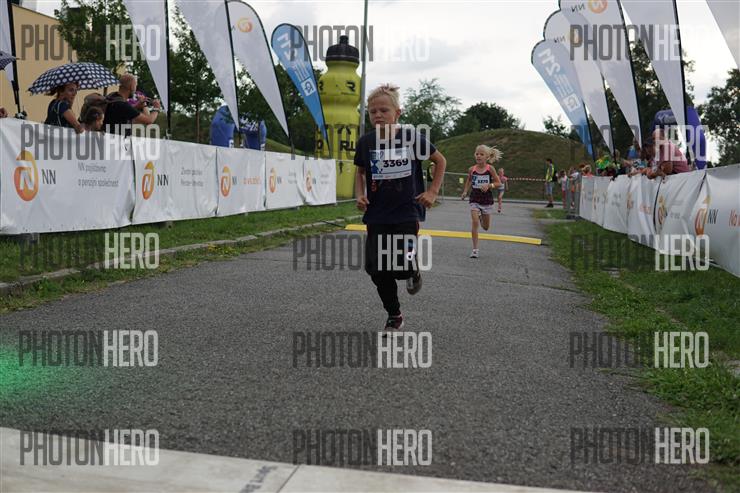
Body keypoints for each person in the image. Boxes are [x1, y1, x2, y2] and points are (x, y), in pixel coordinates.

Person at [354, 83, 446, 331]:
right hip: (377, 214)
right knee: (376, 269)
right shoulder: (366, 142)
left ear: (398, 113)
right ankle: (394, 314)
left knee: (401, 267)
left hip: (407, 211)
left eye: (384, 110)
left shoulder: (411, 138)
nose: (378, 115)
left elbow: (440, 161)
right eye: (373, 111)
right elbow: (360, 172)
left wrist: (432, 191)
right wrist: (360, 195)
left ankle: (412, 270)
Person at [461, 145, 502, 258]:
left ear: (487, 157)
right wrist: (465, 191)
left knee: (485, 227)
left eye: (481, 154)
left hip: (486, 200)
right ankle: (475, 250)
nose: (478, 156)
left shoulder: (490, 169)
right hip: (474, 198)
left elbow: (498, 183)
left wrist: (489, 185)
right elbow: (469, 180)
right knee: (474, 222)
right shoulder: (472, 169)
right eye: (477, 154)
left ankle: (480, 217)